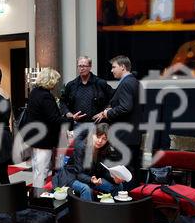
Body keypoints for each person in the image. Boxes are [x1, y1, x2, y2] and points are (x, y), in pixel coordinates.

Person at [93, 55, 141, 190]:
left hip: (125, 137)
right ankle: (132, 203)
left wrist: (108, 113)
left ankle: (125, 204)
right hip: (132, 136)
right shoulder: (134, 82)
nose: (112, 70)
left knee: (125, 174)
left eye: (114, 67)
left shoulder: (126, 83)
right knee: (131, 172)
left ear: (123, 67)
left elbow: (126, 107)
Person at [56, 123, 124, 201]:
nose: (100, 141)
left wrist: (113, 178)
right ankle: (87, 212)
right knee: (85, 188)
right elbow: (78, 173)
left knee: (118, 186)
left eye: (104, 139)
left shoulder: (104, 150)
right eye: (98, 136)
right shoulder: (81, 147)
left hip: (91, 178)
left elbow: (103, 171)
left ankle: (111, 210)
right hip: (71, 176)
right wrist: (91, 180)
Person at [25, 68, 67, 188]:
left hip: (34, 136)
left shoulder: (34, 92)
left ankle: (35, 195)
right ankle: (38, 198)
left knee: (37, 169)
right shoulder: (46, 96)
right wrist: (70, 119)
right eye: (55, 81)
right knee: (42, 170)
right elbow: (53, 119)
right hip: (43, 139)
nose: (56, 84)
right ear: (50, 81)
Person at [59, 56, 113, 124]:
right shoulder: (71, 85)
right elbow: (62, 102)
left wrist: (104, 113)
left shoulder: (100, 83)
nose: (81, 68)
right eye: (79, 66)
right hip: (77, 124)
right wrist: (69, 114)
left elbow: (113, 99)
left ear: (90, 67)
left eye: (84, 66)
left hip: (97, 124)